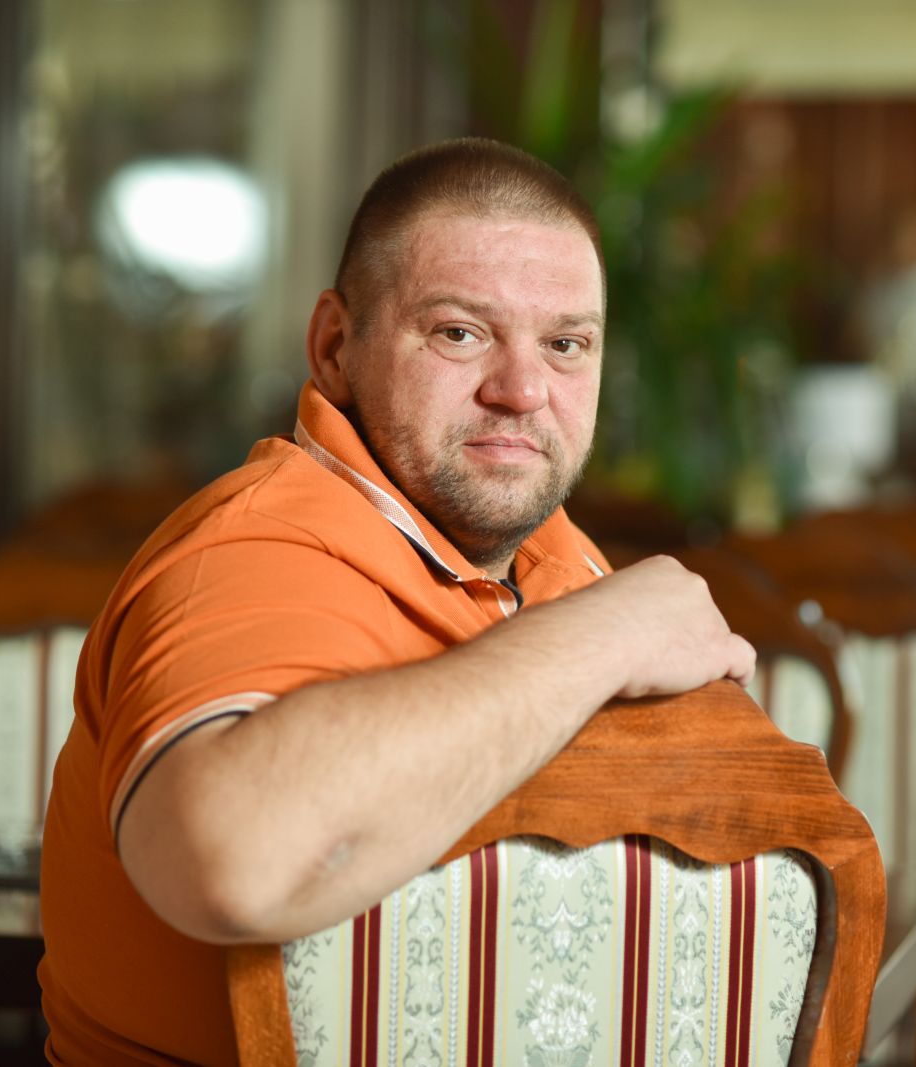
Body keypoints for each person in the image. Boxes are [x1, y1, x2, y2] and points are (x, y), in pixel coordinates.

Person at [37, 138, 756, 1064]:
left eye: (567, 344)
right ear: (337, 347)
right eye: (460, 332)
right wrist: (606, 634)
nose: (523, 390)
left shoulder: (540, 553)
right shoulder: (246, 548)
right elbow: (232, 862)